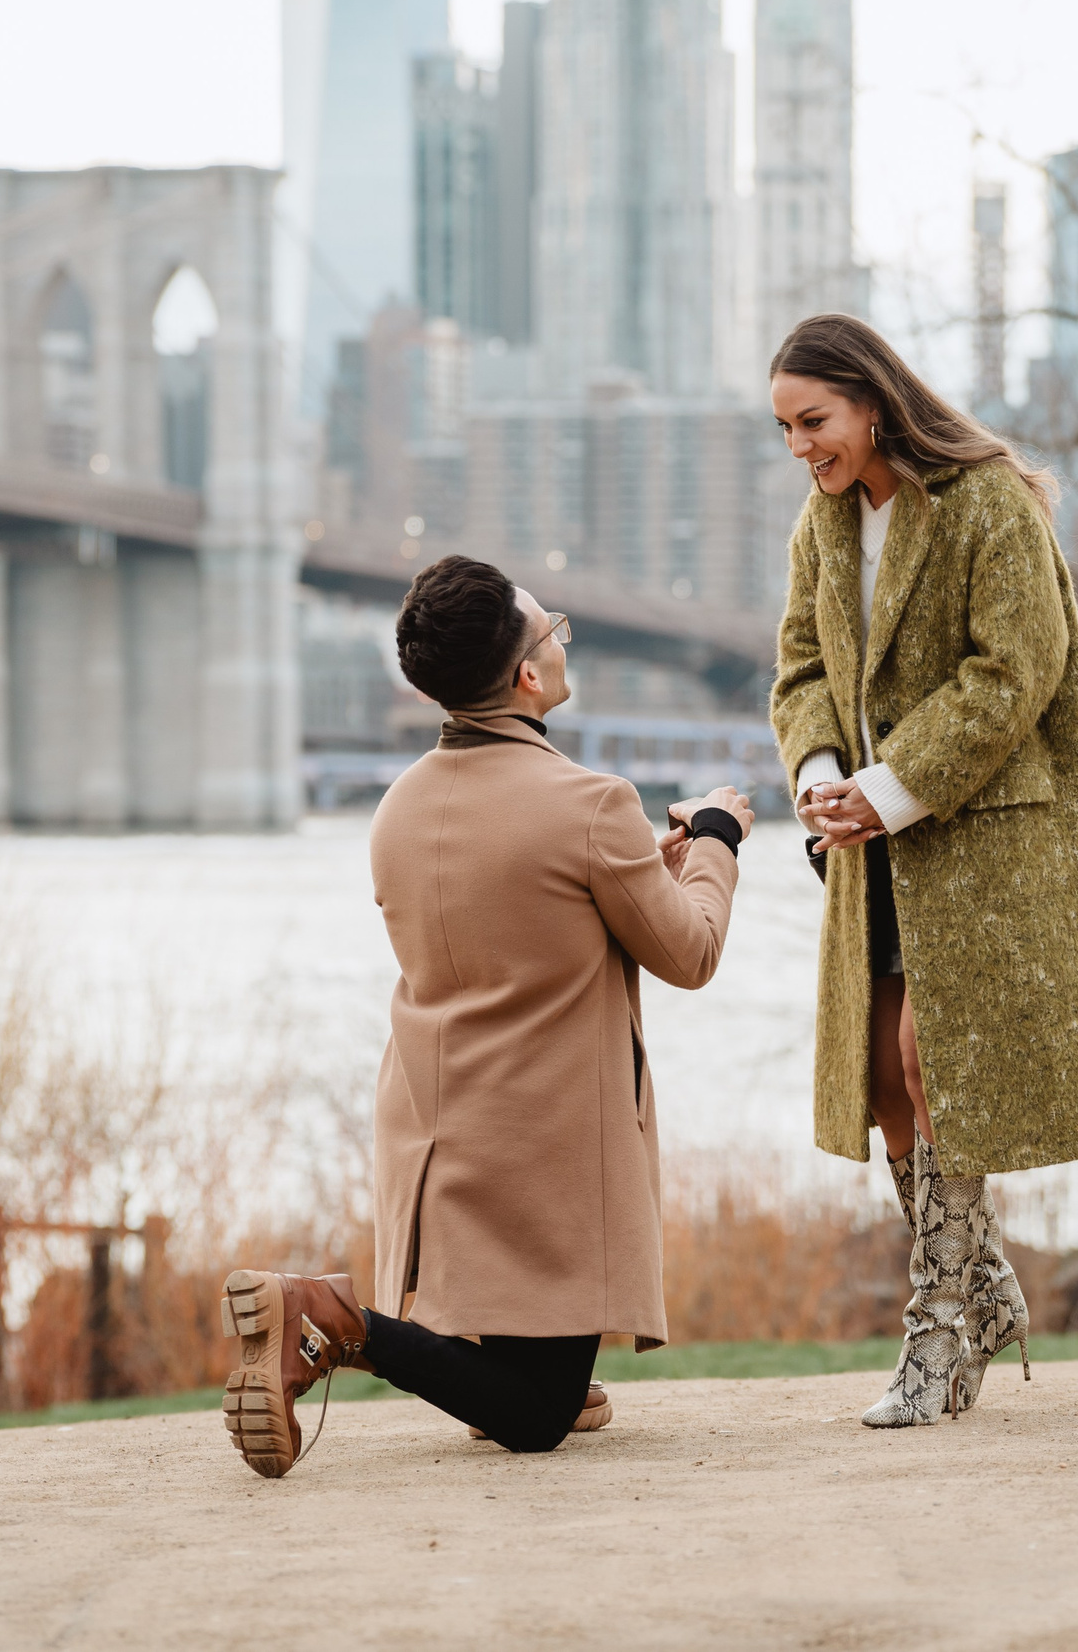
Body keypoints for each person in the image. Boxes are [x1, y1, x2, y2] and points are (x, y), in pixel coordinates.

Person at [221, 554, 754, 1476]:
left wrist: (633, 871)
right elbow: (691, 954)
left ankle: (473, 1360)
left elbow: (516, 925)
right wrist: (715, 840)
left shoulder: (397, 808)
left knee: (547, 1392)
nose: (559, 641)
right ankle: (329, 1319)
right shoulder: (595, 804)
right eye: (555, 631)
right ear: (528, 676)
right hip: (541, 1147)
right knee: (536, 1415)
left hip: (437, 1133)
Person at [768, 312, 1078, 1427]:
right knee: (885, 1082)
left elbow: (1015, 671)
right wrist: (822, 775)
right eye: (784, 428)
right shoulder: (823, 525)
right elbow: (797, 669)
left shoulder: (986, 505)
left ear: (874, 400)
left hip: (979, 843)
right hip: (871, 849)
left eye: (813, 421)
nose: (800, 448)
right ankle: (980, 1292)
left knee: (942, 1071)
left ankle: (932, 1336)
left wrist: (885, 789)